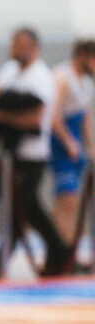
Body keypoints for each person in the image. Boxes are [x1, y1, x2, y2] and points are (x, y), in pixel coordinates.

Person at [0, 27, 70, 279]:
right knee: (31, 211)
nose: (13, 49)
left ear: (32, 47)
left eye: (18, 45)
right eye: (12, 44)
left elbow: (33, 119)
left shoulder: (40, 78)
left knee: (19, 211)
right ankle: (61, 254)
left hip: (33, 155)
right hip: (10, 155)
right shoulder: (10, 70)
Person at [48, 39, 95, 255]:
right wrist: (68, 142)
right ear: (83, 55)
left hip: (76, 147)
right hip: (61, 146)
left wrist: (90, 146)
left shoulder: (86, 82)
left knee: (74, 204)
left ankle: (69, 252)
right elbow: (54, 116)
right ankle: (62, 254)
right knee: (66, 202)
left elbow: (84, 117)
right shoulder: (62, 76)